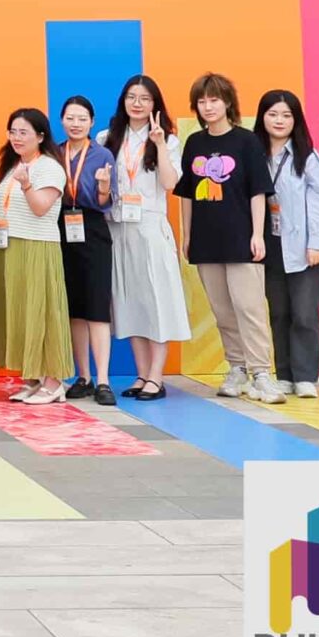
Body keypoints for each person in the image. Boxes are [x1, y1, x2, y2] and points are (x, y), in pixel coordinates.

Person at [177, 72, 283, 404]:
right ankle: (237, 368)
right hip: (206, 240)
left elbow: (257, 192)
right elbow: (187, 194)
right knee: (222, 311)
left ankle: (262, 373)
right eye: (202, 101)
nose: (208, 106)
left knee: (250, 308)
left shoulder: (246, 141)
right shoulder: (194, 143)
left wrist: (257, 234)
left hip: (241, 238)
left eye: (214, 100)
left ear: (227, 103)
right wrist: (187, 235)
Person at [104, 75, 189, 401]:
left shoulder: (168, 140)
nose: (137, 104)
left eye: (144, 98)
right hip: (118, 227)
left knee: (156, 302)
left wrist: (160, 144)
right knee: (128, 303)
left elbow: (170, 184)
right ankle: (141, 374)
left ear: (155, 104)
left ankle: (156, 376)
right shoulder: (107, 138)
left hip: (150, 228)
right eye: (131, 97)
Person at [256, 89, 319, 399]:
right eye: (273, 114)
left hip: (307, 247)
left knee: (304, 314)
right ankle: (284, 375)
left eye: (286, 115)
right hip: (271, 244)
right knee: (279, 313)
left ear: (296, 120)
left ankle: (305, 377)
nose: (279, 120)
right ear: (263, 117)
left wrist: (316, 242)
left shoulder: (307, 157)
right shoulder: (255, 153)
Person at [0, 108, 73, 403]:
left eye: (23, 132)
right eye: (12, 131)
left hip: (38, 246)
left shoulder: (49, 167)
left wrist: (26, 185)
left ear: (40, 136)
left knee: (44, 312)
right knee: (20, 312)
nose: (16, 137)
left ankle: (54, 381)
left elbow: (40, 208)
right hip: (9, 246)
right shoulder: (12, 165)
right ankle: (34, 377)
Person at [56, 96, 118, 405]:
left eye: (82, 118)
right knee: (75, 308)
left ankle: (103, 380)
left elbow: (107, 201)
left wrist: (103, 187)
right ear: (62, 120)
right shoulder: (55, 153)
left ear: (92, 122)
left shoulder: (102, 154)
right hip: (61, 229)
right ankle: (83, 377)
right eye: (70, 118)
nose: (76, 124)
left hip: (92, 229)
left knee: (96, 306)